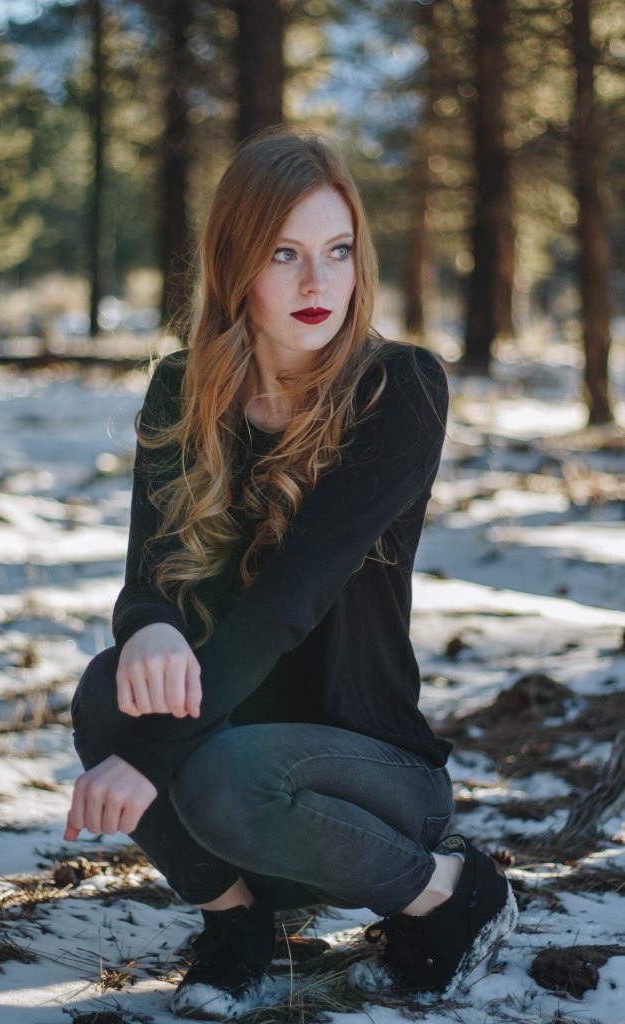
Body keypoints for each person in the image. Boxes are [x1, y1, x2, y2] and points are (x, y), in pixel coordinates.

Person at [65, 127, 517, 1020]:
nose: (318, 283)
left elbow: (289, 598)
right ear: (236, 263)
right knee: (105, 692)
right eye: (284, 254)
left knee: (224, 773)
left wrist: (150, 757)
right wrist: (148, 626)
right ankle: (239, 929)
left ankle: (449, 892)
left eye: (337, 251)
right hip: (234, 759)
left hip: (369, 778)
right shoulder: (181, 390)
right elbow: (147, 575)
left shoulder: (399, 387)